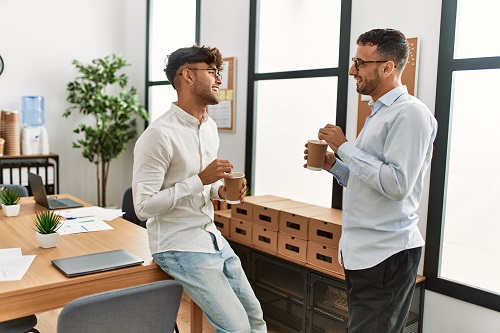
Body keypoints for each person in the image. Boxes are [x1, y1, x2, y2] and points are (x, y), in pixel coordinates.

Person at [305, 29, 437, 332]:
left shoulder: (411, 114)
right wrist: (336, 167)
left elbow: (397, 185)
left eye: (360, 63)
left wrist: (346, 147)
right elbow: (374, 182)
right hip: (365, 252)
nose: (353, 70)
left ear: (388, 67)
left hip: (387, 253)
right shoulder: (377, 114)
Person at [132, 45, 267, 333]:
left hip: (211, 238)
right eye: (212, 72)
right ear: (187, 76)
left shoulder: (209, 128)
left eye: (219, 73)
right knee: (238, 328)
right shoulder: (157, 135)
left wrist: (221, 191)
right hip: (177, 243)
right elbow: (142, 207)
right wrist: (201, 180)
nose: (219, 80)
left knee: (254, 317)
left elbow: (204, 187)